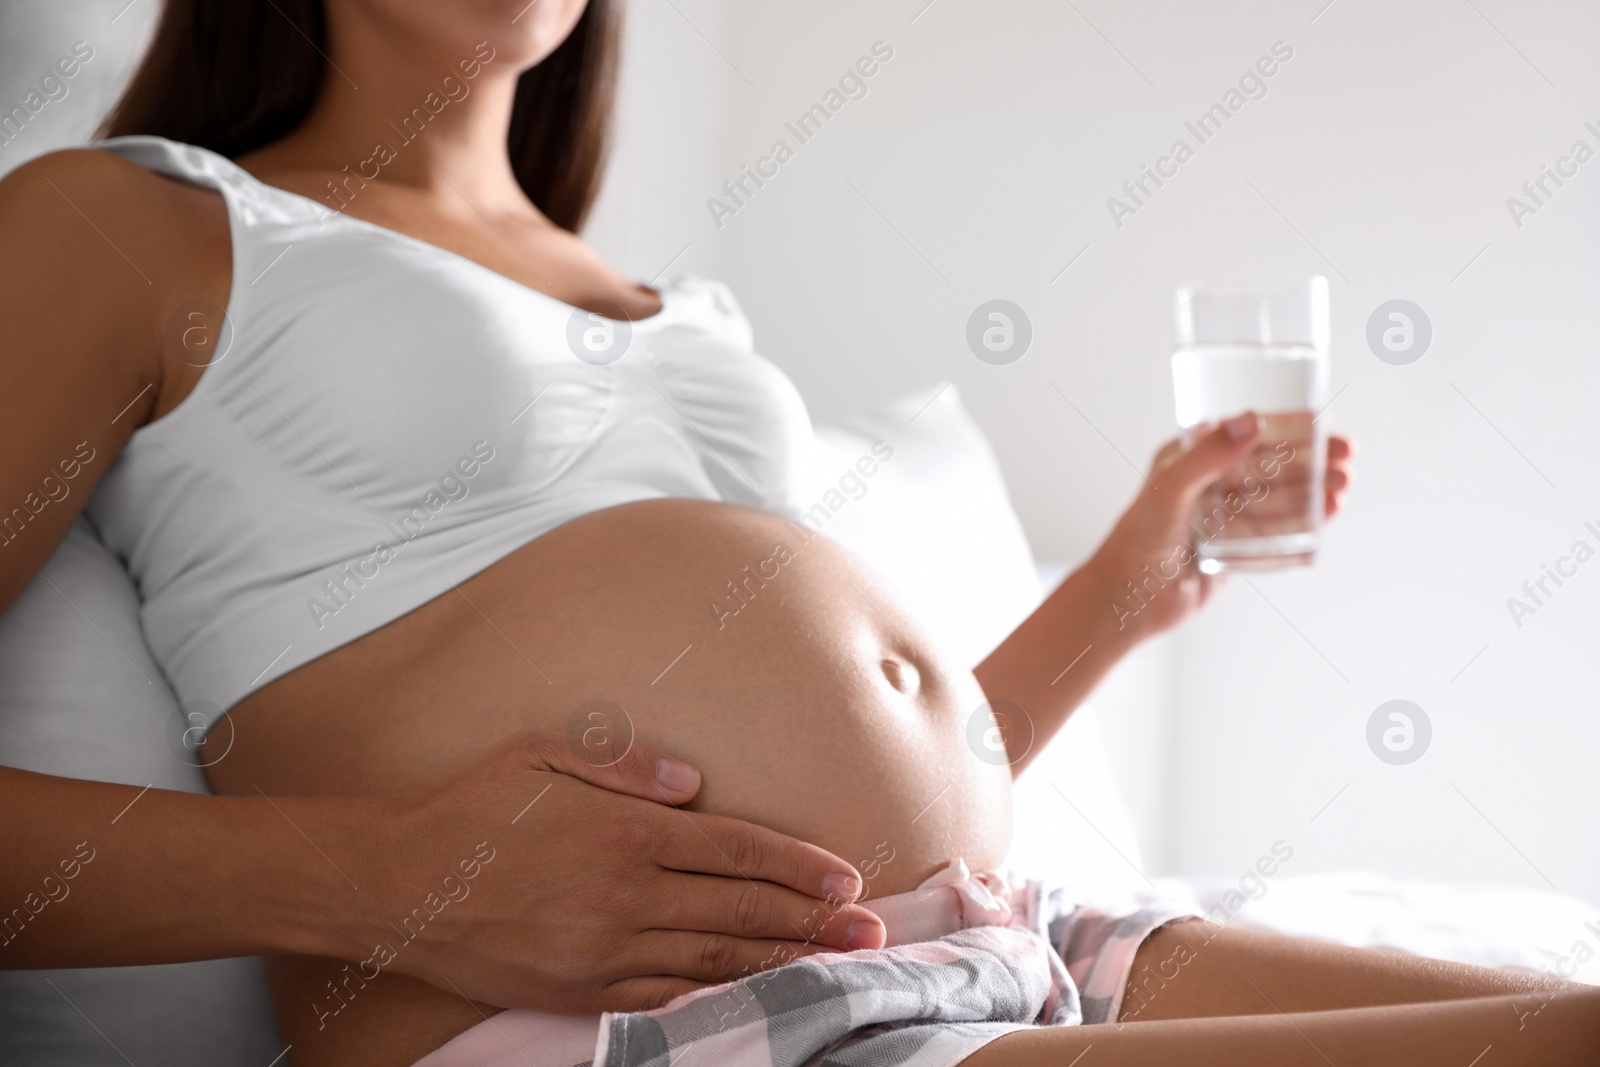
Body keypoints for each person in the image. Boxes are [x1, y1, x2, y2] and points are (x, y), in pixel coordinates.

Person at [0, 1, 1591, 1064]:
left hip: (992, 932)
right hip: (621, 1021)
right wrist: (396, 878)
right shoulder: (137, 223)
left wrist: (1126, 586)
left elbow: (839, 765)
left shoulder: (670, 307)